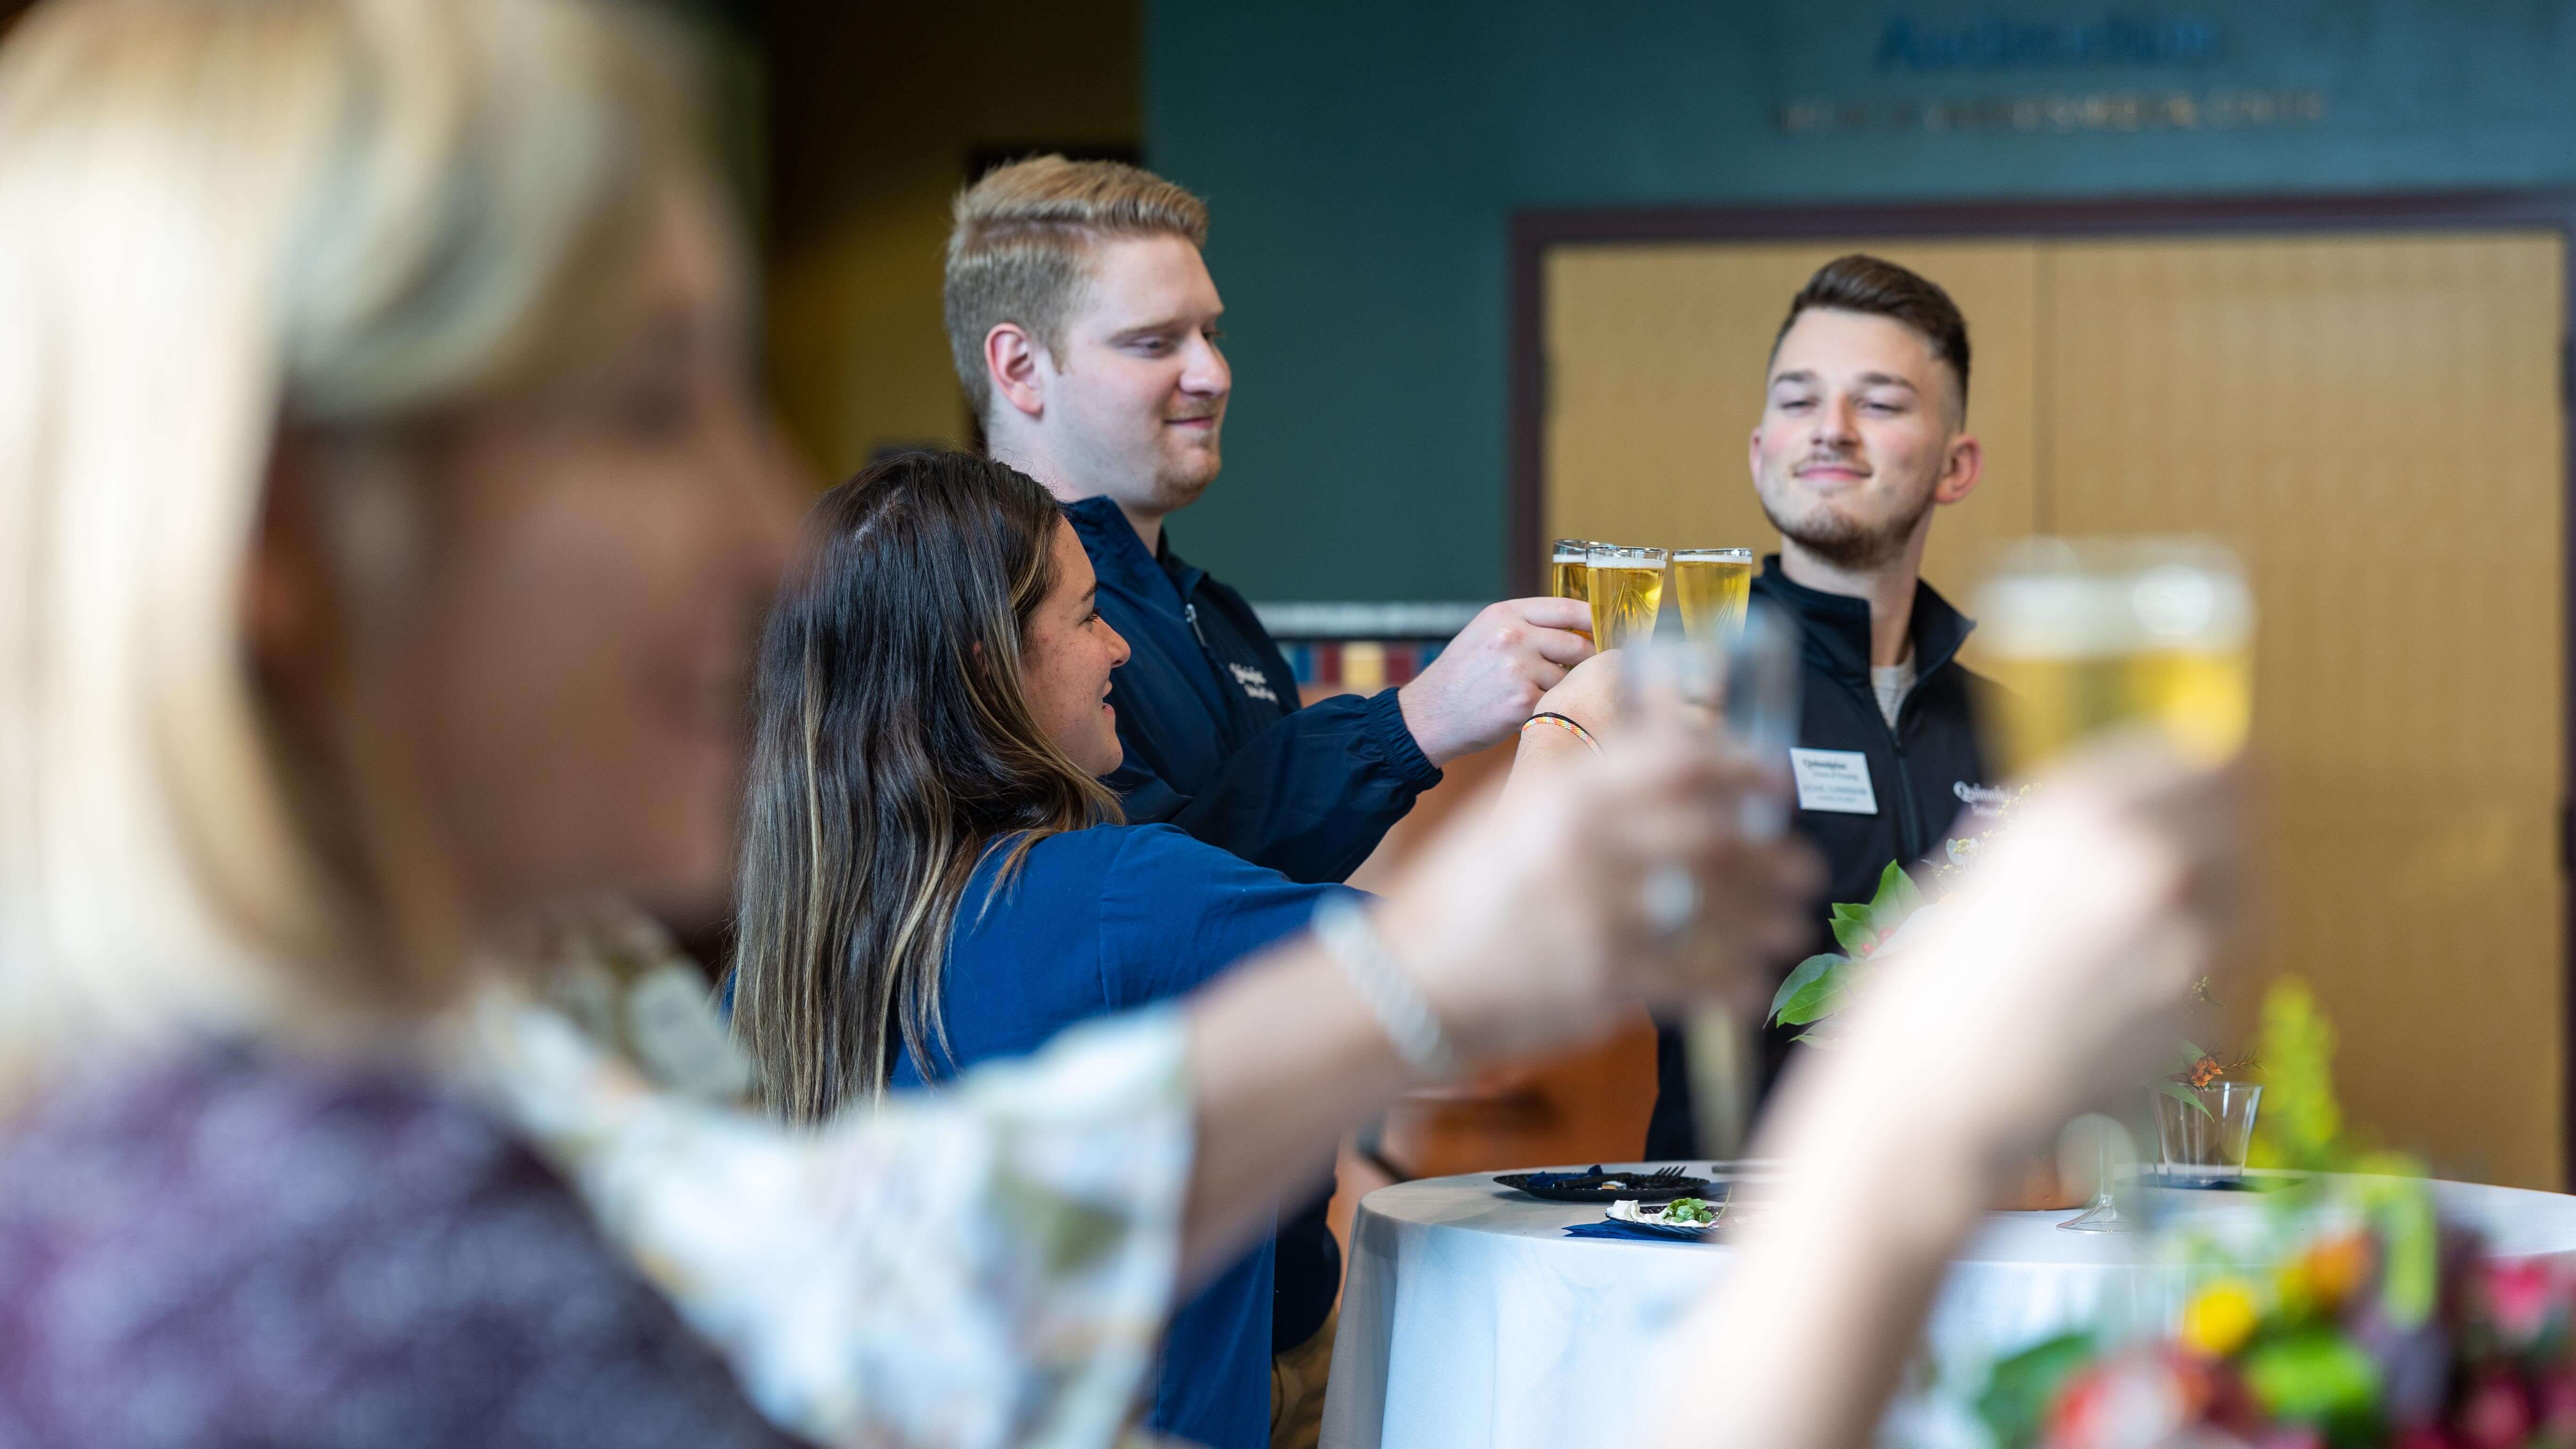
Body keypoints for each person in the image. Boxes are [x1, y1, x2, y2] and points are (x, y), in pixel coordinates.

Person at [0, 5, 1816, 1444]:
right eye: (647, 411)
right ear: (282, 541)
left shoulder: (530, 1023)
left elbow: (855, 1269)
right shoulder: (285, 1273)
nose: (758, 517)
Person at [722, 449, 1679, 1449]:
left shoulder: (770, 970)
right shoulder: (1115, 897)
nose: (1119, 655)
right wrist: (1580, 726)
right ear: (985, 663)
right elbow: (1501, 955)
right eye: (1089, 619)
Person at [945, 155, 1597, 1436]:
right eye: (1154, 341)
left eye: (1211, 331)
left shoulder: (1217, 615)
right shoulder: (972, 635)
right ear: (1020, 370)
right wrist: (1418, 725)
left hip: (1286, 1283)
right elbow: (1131, 904)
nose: (1213, 371)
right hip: (1123, 1336)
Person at [1646, 253, 2009, 1162]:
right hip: (1722, 1230)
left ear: (1955, 465)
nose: (1831, 430)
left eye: (1880, 403)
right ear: (1760, 446)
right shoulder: (1675, 689)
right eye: (1798, 399)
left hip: (1979, 1234)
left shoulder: (2014, 732)